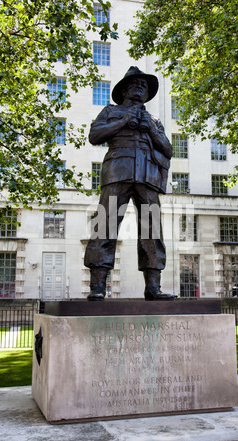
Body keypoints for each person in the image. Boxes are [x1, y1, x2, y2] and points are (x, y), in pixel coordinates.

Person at [84, 66, 174, 301]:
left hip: (148, 176)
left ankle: (153, 288)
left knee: (152, 230)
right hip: (117, 171)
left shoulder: (154, 120)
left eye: (144, 86)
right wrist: (123, 121)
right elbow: (95, 136)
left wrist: (151, 131)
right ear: (124, 90)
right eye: (135, 84)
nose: (140, 88)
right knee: (105, 226)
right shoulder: (110, 111)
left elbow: (167, 149)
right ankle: (98, 287)